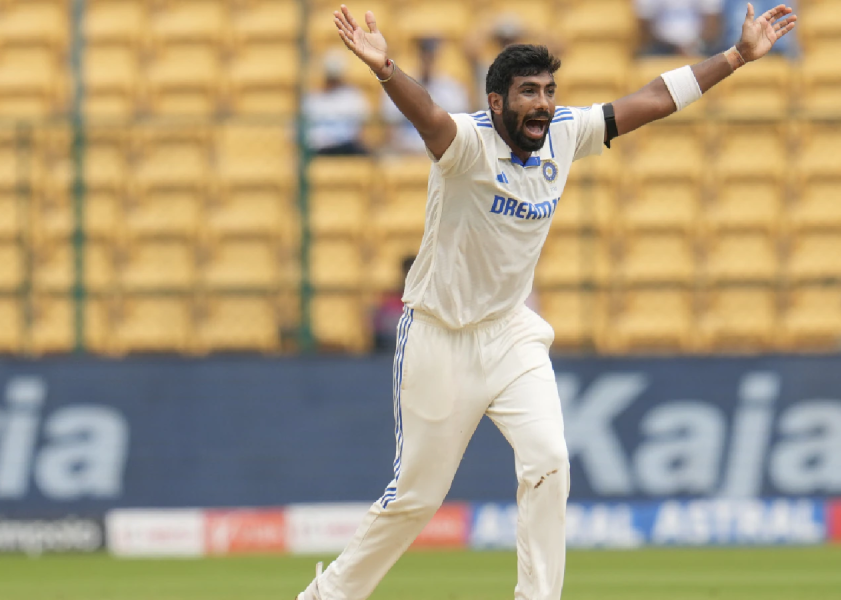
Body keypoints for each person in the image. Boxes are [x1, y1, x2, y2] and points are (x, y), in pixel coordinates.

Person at [297, 3, 796, 599]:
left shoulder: (565, 133)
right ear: (497, 103)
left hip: (511, 332)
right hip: (438, 335)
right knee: (417, 497)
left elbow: (653, 98)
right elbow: (429, 118)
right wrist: (387, 71)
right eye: (528, 92)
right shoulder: (467, 145)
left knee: (550, 460)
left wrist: (737, 56)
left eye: (549, 90)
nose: (543, 103)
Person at [381, 36, 469, 153]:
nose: (427, 59)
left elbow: (459, 129)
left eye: (430, 56)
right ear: (418, 56)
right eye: (424, 54)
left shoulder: (452, 89)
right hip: (406, 152)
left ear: (437, 57)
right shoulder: (399, 84)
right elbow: (390, 129)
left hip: (442, 153)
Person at [302, 51, 371, 156]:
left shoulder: (353, 96)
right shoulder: (313, 99)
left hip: (346, 147)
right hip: (320, 148)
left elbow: (362, 130)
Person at [634, 0, 723, 56]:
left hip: (698, 46)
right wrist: (673, 48)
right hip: (661, 47)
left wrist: (694, 46)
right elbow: (644, 26)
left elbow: (713, 22)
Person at [719, 0, 798, 56]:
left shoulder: (774, 2)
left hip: (768, 56)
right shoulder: (729, 2)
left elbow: (779, 43)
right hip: (733, 53)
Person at [371, 255, 415, 352]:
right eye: (407, 271)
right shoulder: (390, 299)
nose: (410, 276)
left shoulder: (427, 301)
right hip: (389, 348)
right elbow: (379, 330)